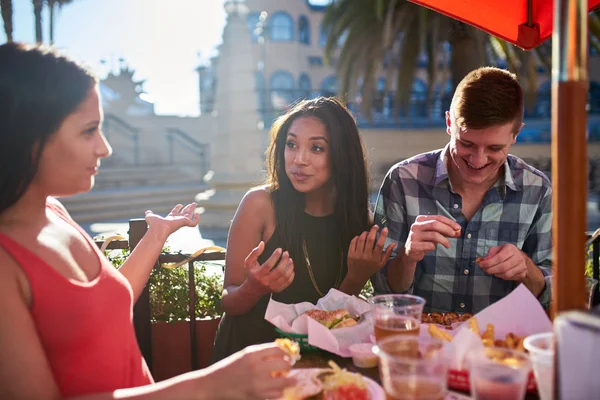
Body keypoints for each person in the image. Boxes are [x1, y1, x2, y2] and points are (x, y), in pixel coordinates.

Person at [0, 42, 295, 400]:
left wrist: (156, 236)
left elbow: (104, 307)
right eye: (89, 130)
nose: (104, 148)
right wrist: (211, 385)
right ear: (29, 137)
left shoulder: (53, 212)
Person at [211, 97, 396, 361]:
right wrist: (254, 287)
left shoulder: (359, 221)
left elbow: (331, 317)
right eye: (291, 144)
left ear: (342, 155)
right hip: (252, 356)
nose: (299, 160)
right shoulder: (259, 204)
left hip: (319, 358)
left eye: (317, 148)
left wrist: (357, 277)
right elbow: (228, 301)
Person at [372, 67, 552, 314]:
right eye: (466, 144)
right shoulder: (403, 180)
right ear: (449, 123)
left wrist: (525, 268)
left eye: (494, 148)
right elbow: (384, 293)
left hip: (501, 346)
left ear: (516, 134)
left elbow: (550, 293)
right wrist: (408, 256)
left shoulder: (538, 190)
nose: (478, 161)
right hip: (422, 344)